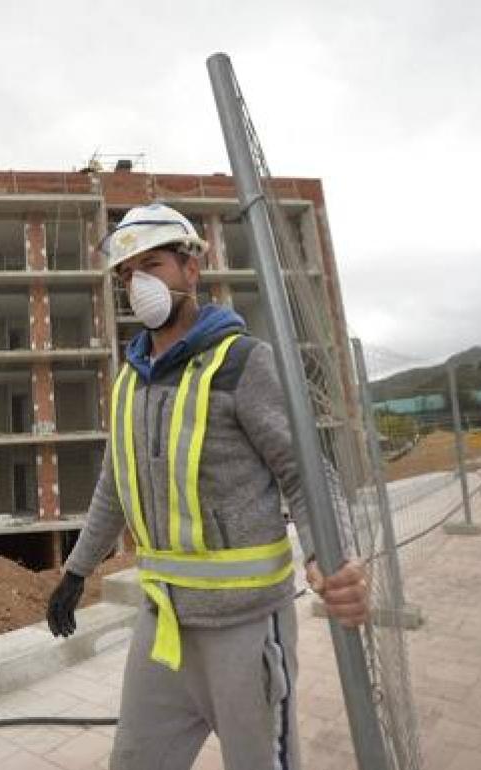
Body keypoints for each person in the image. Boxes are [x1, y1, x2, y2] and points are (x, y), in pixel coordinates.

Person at [46, 203, 369, 770]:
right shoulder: (128, 382)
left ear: (191, 269)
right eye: (126, 275)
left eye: (152, 265)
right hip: (163, 628)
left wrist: (330, 554)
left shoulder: (242, 362)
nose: (138, 283)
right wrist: (75, 573)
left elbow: (305, 472)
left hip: (244, 632)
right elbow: (113, 487)